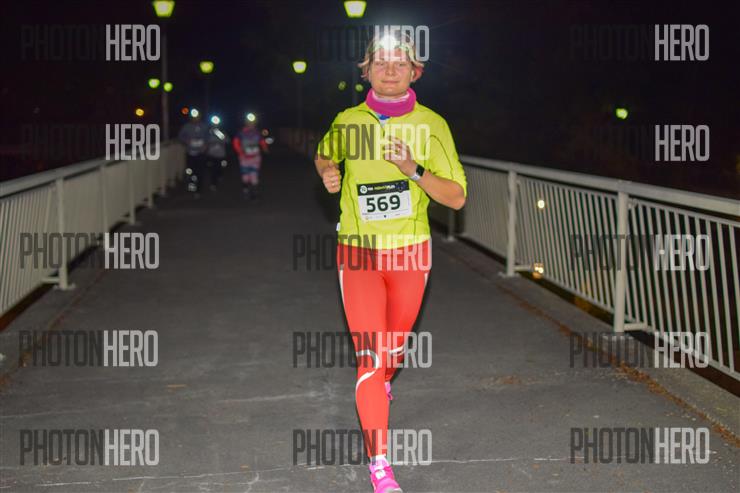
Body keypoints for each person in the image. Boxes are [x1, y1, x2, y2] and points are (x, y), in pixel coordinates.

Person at [314, 31, 467, 493]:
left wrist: (413, 172)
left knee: (393, 351)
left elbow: (456, 197)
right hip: (358, 251)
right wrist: (328, 170)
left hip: (410, 253)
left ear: (415, 72)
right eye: (380, 62)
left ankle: (383, 377)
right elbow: (323, 152)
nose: (390, 69)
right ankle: (380, 465)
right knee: (370, 357)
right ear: (366, 71)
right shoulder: (348, 121)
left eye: (400, 62)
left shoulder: (433, 125)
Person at [232, 115, 268, 199]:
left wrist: (265, 148)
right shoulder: (241, 133)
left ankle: (254, 192)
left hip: (255, 157)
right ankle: (245, 190)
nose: (251, 125)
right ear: (246, 123)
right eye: (249, 123)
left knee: (254, 175)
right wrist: (240, 152)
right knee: (245, 176)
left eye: (253, 123)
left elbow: (262, 141)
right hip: (244, 158)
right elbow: (235, 143)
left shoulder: (257, 133)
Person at [178, 110, 209, 195]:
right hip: (190, 153)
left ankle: (198, 189)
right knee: (191, 170)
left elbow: (208, 136)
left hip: (201, 153)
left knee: (200, 171)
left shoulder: (204, 126)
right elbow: (180, 136)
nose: (195, 119)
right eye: (194, 117)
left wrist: (206, 145)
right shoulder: (187, 126)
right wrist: (187, 141)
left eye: (197, 117)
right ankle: (191, 187)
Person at [205, 122, 228, 191]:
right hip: (211, 155)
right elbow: (205, 141)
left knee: (219, 168)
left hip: (220, 155)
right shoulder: (209, 132)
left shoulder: (221, 132)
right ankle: (213, 183)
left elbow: (226, 140)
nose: (215, 125)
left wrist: (218, 133)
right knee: (213, 169)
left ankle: (219, 175)